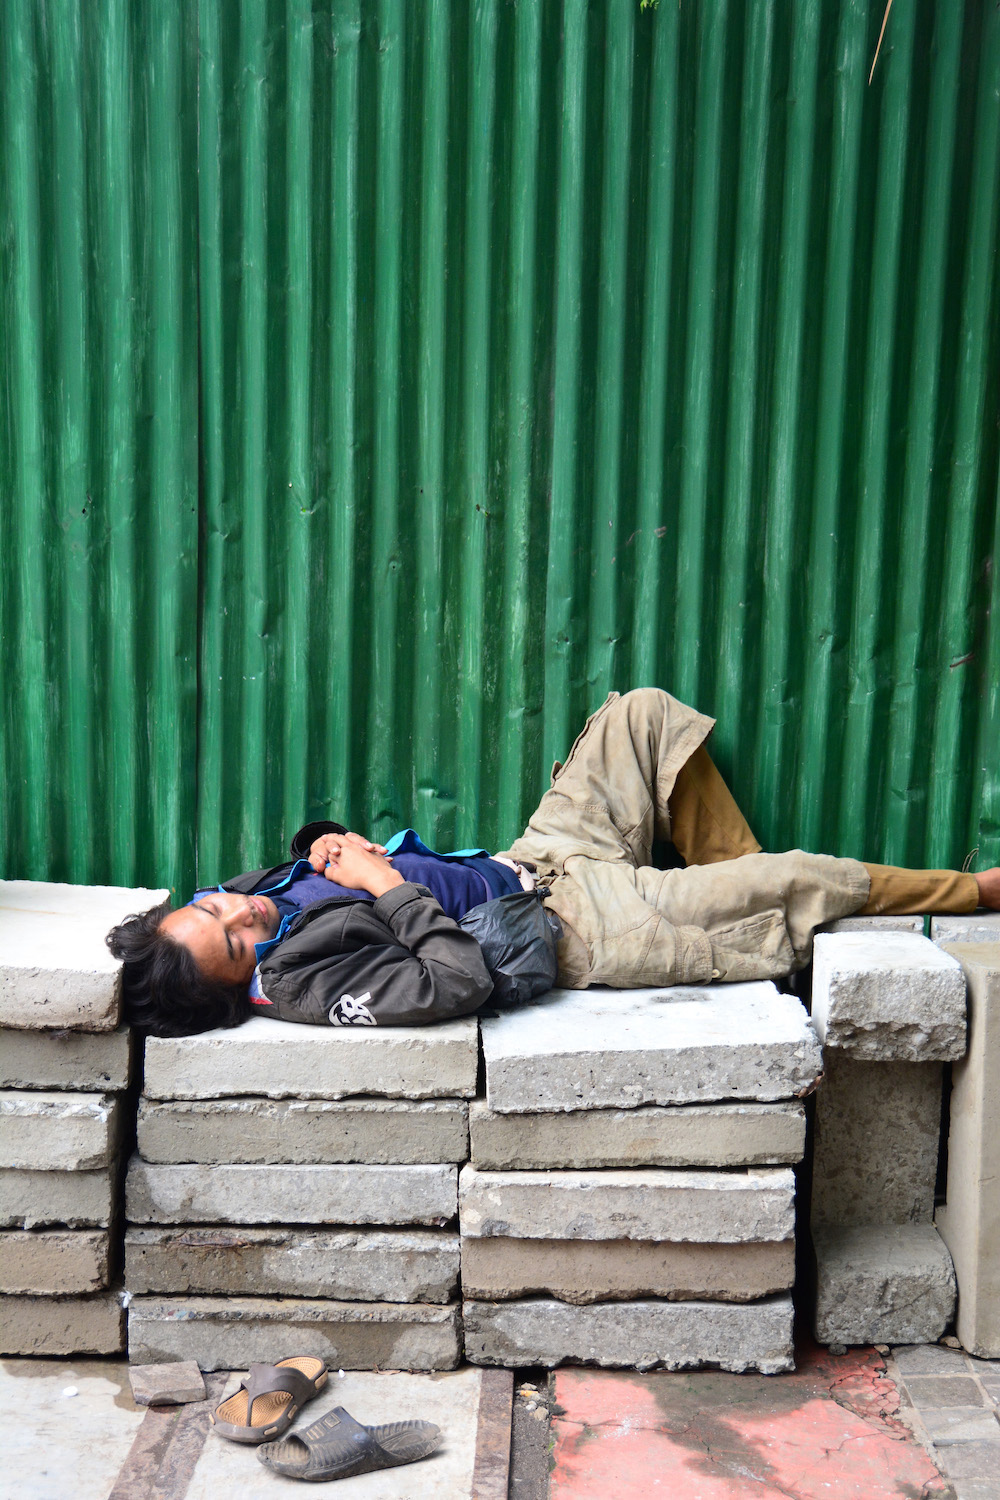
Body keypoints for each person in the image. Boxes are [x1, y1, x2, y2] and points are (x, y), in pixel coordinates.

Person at [107, 689, 999, 1037]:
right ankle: (973, 893)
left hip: (536, 860)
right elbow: (454, 981)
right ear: (238, 989)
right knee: (805, 879)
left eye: (213, 908)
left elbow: (304, 875)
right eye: (232, 940)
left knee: (640, 718)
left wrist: (324, 847)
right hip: (575, 929)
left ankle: (734, 899)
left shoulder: (248, 902)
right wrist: (382, 883)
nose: (240, 915)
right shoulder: (305, 988)